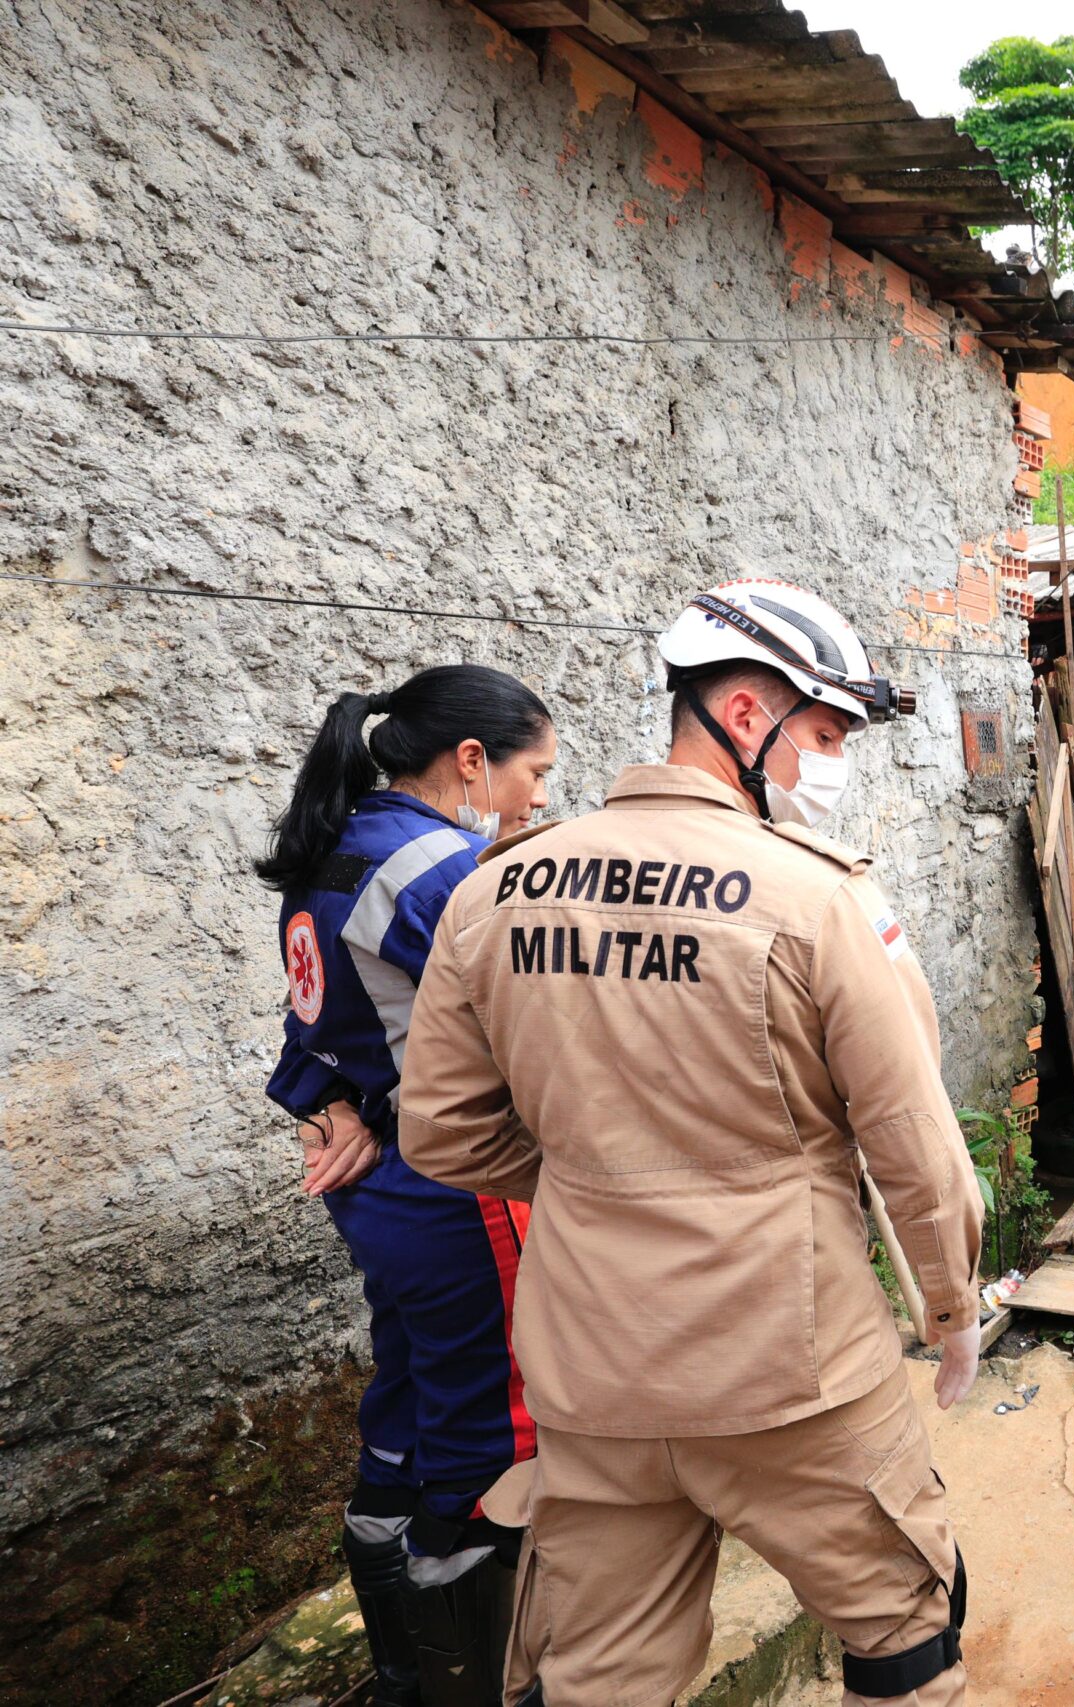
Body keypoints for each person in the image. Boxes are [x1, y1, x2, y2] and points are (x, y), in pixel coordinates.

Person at [398, 580, 984, 1707]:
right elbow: (912, 1148)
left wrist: (593, 1181)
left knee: (598, 1676)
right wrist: (950, 1313)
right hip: (792, 1369)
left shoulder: (496, 892)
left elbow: (440, 1129)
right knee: (906, 1637)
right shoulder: (816, 901)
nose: (834, 762)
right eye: (826, 733)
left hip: (592, 1373)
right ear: (749, 717)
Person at [257, 664, 557, 1706]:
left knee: (408, 1397)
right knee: (494, 1426)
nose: (541, 799)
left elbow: (320, 1030)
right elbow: (522, 1042)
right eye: (535, 772)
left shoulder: (333, 849)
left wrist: (331, 1106)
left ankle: (401, 1667)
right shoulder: (445, 870)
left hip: (375, 1186)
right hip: (452, 1190)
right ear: (470, 761)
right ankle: (478, 1676)